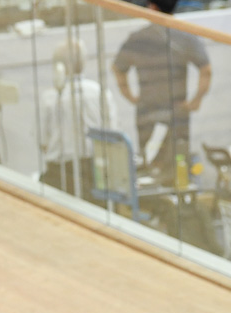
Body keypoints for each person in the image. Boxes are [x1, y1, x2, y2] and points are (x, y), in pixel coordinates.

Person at [112, 0, 211, 172]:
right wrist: (195, 101)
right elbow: (206, 70)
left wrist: (130, 95)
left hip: (147, 110)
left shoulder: (138, 38)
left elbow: (118, 69)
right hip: (177, 111)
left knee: (150, 163)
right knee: (178, 162)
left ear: (152, 8)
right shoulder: (184, 36)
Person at [40, 40, 117, 199]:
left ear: (58, 67)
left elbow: (43, 143)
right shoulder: (101, 92)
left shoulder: (49, 97)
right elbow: (113, 134)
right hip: (97, 171)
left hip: (60, 173)